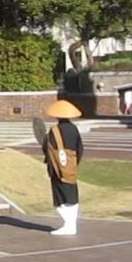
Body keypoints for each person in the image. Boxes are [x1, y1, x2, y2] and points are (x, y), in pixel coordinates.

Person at [42, 99, 84, 235]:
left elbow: (48, 149)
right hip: (71, 167)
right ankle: (72, 225)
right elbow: (80, 148)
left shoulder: (54, 131)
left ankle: (68, 225)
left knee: (60, 198)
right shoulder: (74, 129)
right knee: (72, 195)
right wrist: (73, 164)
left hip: (57, 169)